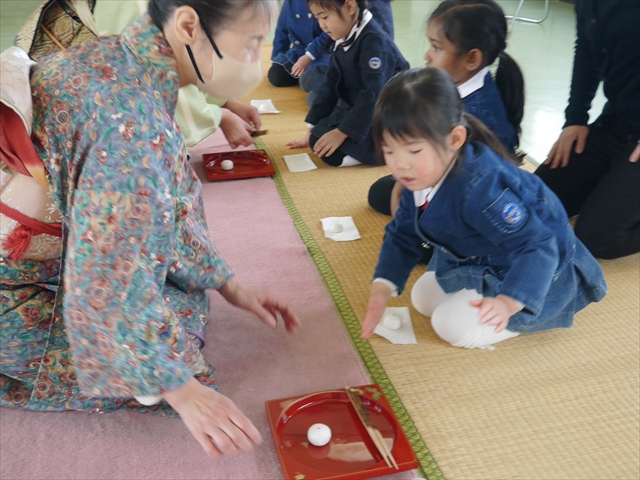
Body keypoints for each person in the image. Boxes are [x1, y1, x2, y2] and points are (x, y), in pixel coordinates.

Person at [0, 0, 301, 460]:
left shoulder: (122, 58)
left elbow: (171, 201)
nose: (255, 59)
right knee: (174, 356)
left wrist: (228, 284)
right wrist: (179, 388)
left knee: (177, 301)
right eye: (251, 43)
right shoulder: (129, 127)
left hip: (58, 252)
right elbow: (104, 276)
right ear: (188, 26)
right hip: (15, 280)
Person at [360, 68, 607, 350]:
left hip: (534, 267)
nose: (400, 165)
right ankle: (480, 291)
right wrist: (383, 286)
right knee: (423, 299)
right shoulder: (420, 175)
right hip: (480, 255)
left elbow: (538, 246)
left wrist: (508, 302)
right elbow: (402, 233)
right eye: (389, 151)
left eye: (414, 151)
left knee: (449, 326)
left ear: (455, 139)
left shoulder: (482, 188)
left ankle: (527, 311)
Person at [368, 0, 524, 221]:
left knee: (387, 195)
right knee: (386, 189)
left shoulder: (477, 113)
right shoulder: (465, 87)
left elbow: (463, 180)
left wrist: (408, 195)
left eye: (437, 47)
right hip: (455, 176)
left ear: (472, 58)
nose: (427, 55)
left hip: (478, 198)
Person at [535, 0, 640, 259]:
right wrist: (575, 118)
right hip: (616, 124)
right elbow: (585, 47)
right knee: (535, 202)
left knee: (598, 239)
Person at [92, 0, 262, 150]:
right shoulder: (141, 8)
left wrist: (225, 102)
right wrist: (221, 117)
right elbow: (168, 72)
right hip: (118, 118)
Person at [287, 0, 409, 167]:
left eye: (325, 17)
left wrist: (342, 132)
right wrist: (310, 128)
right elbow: (330, 83)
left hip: (388, 115)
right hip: (361, 104)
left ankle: (385, 153)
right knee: (317, 135)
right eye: (318, 18)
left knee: (331, 154)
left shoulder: (374, 41)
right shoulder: (344, 33)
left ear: (350, 7)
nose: (322, 25)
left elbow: (374, 94)